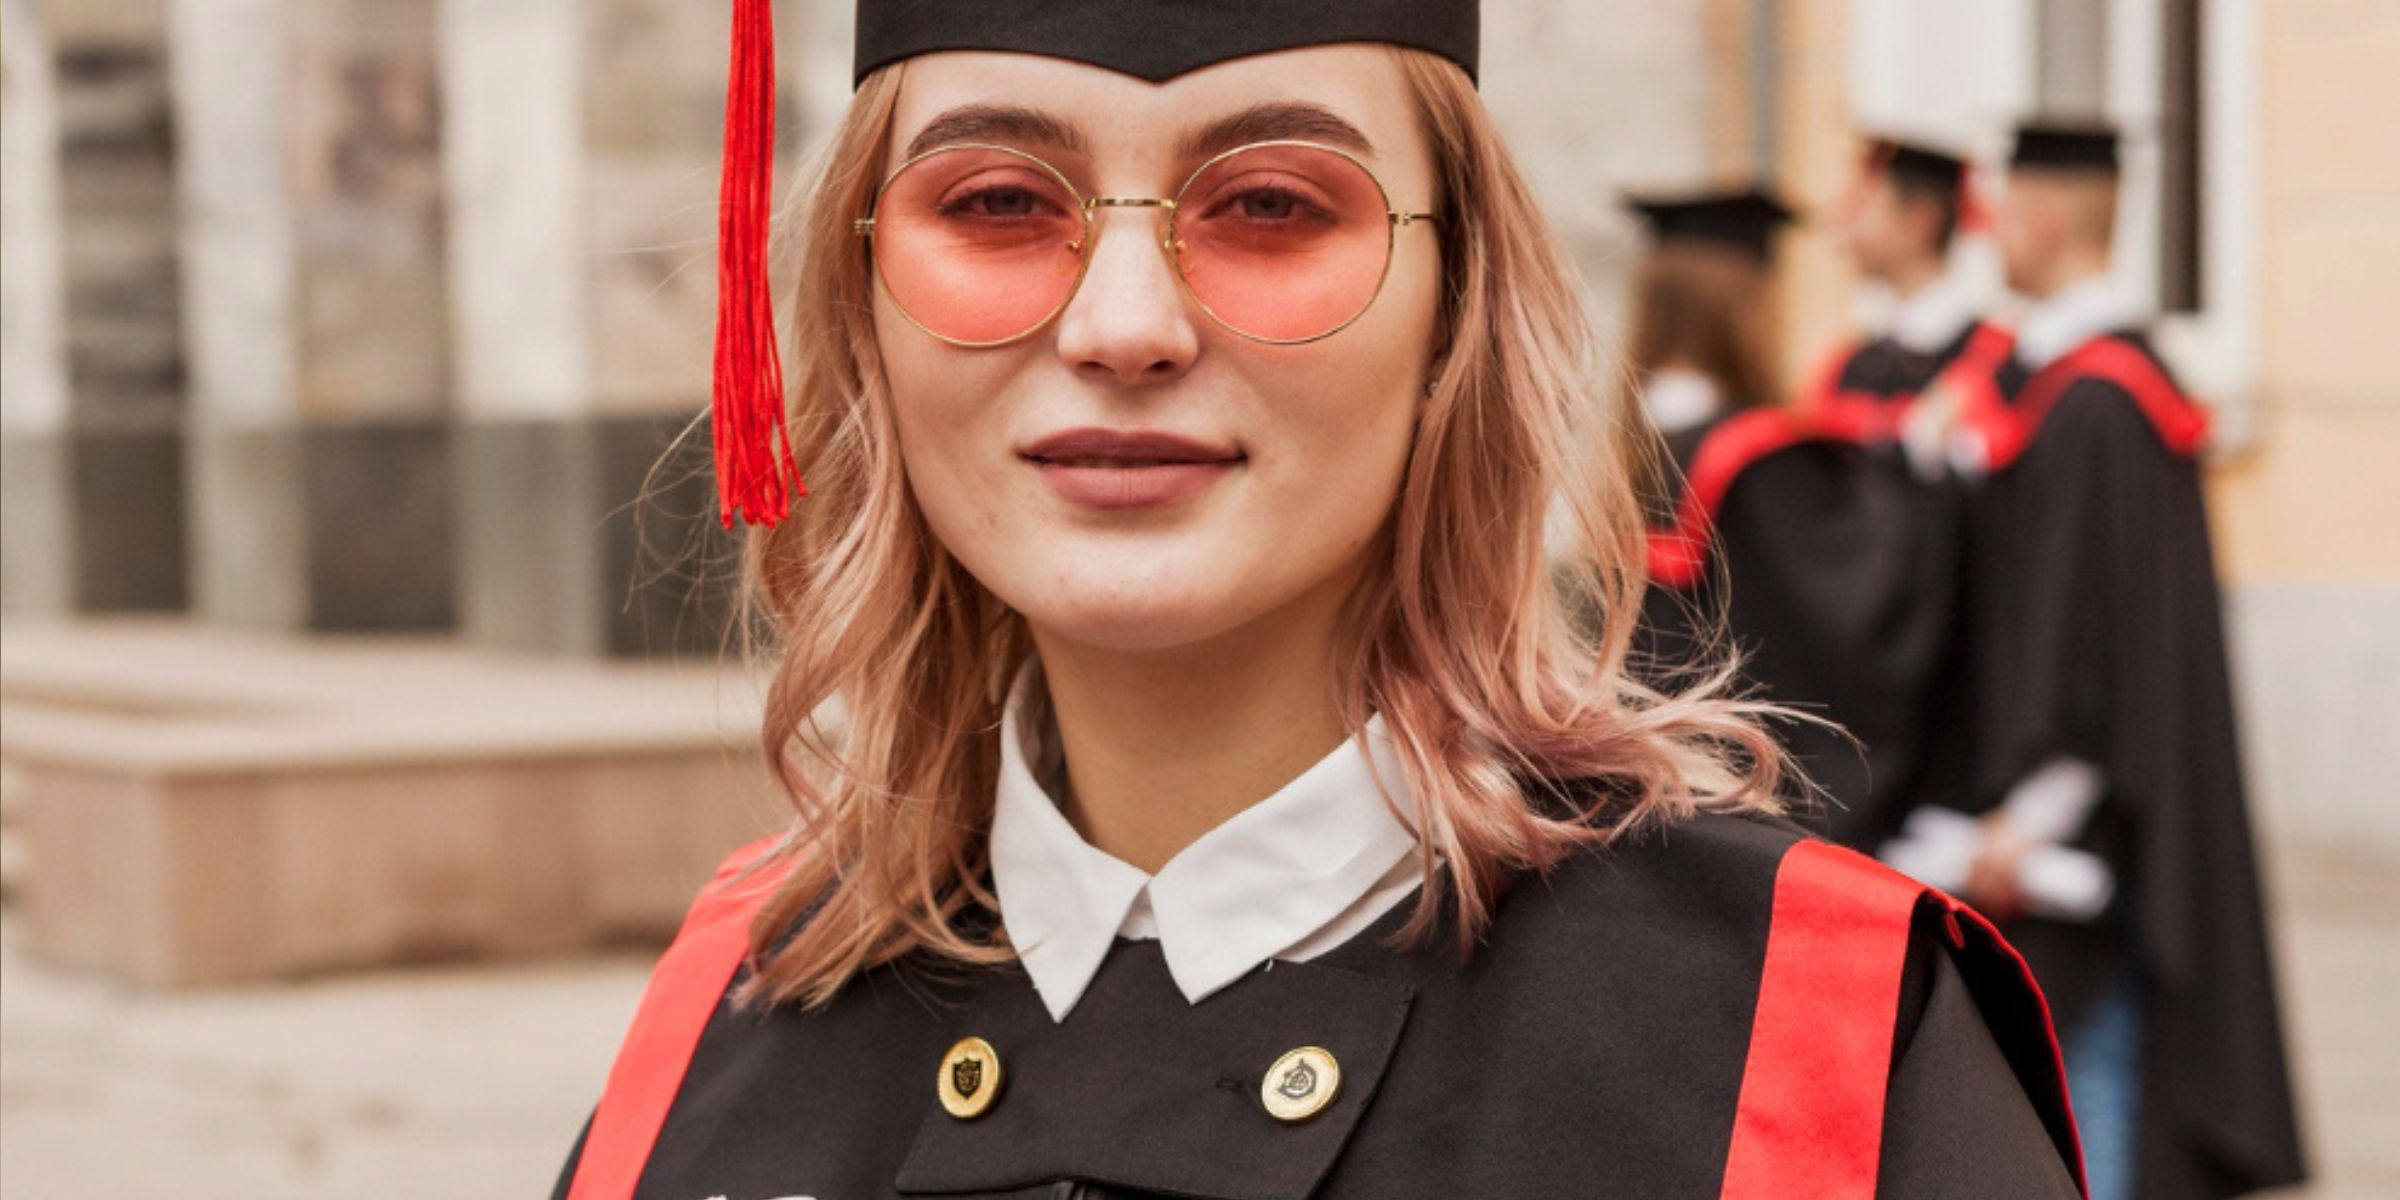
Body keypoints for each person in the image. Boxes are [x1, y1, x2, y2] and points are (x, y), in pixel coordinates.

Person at [550, 5, 2087, 1197]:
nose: (1124, 326)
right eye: (1000, 200)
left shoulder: (1808, 1049)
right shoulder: (721, 1035)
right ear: (862, 304)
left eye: (1274, 204)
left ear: (1454, 312)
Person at [1887, 119, 2306, 1200]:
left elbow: (2095, 641)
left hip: (2075, 830)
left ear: (2044, 218)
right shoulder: (2093, 386)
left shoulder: (2097, 402)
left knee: (2087, 1091)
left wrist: (2030, 818)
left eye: (2003, 213)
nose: (1990, 235)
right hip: (2096, 812)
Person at [1628, 188, 1958, 853]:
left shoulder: (1629, 442)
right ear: (1746, 310)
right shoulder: (1760, 461)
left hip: (1665, 786)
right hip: (1755, 801)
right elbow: (1860, 608)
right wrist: (1918, 461)